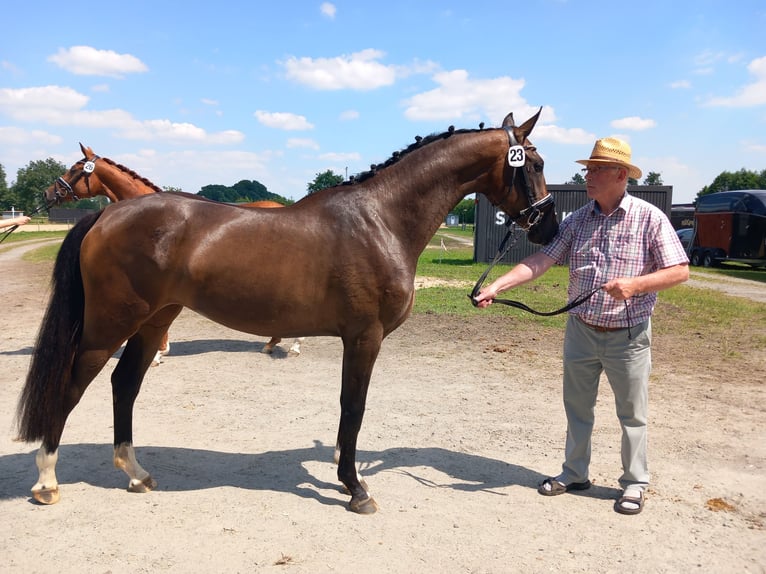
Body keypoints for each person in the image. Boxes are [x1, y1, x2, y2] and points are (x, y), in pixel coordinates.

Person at [474, 137, 689, 515]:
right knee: (577, 407)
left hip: (629, 334)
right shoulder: (577, 220)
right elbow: (542, 259)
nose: (586, 175)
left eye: (595, 169)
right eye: (587, 168)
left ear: (620, 175)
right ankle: (575, 472)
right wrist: (497, 285)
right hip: (582, 331)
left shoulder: (649, 218)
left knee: (632, 414)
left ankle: (634, 483)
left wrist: (635, 285)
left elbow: (680, 271)